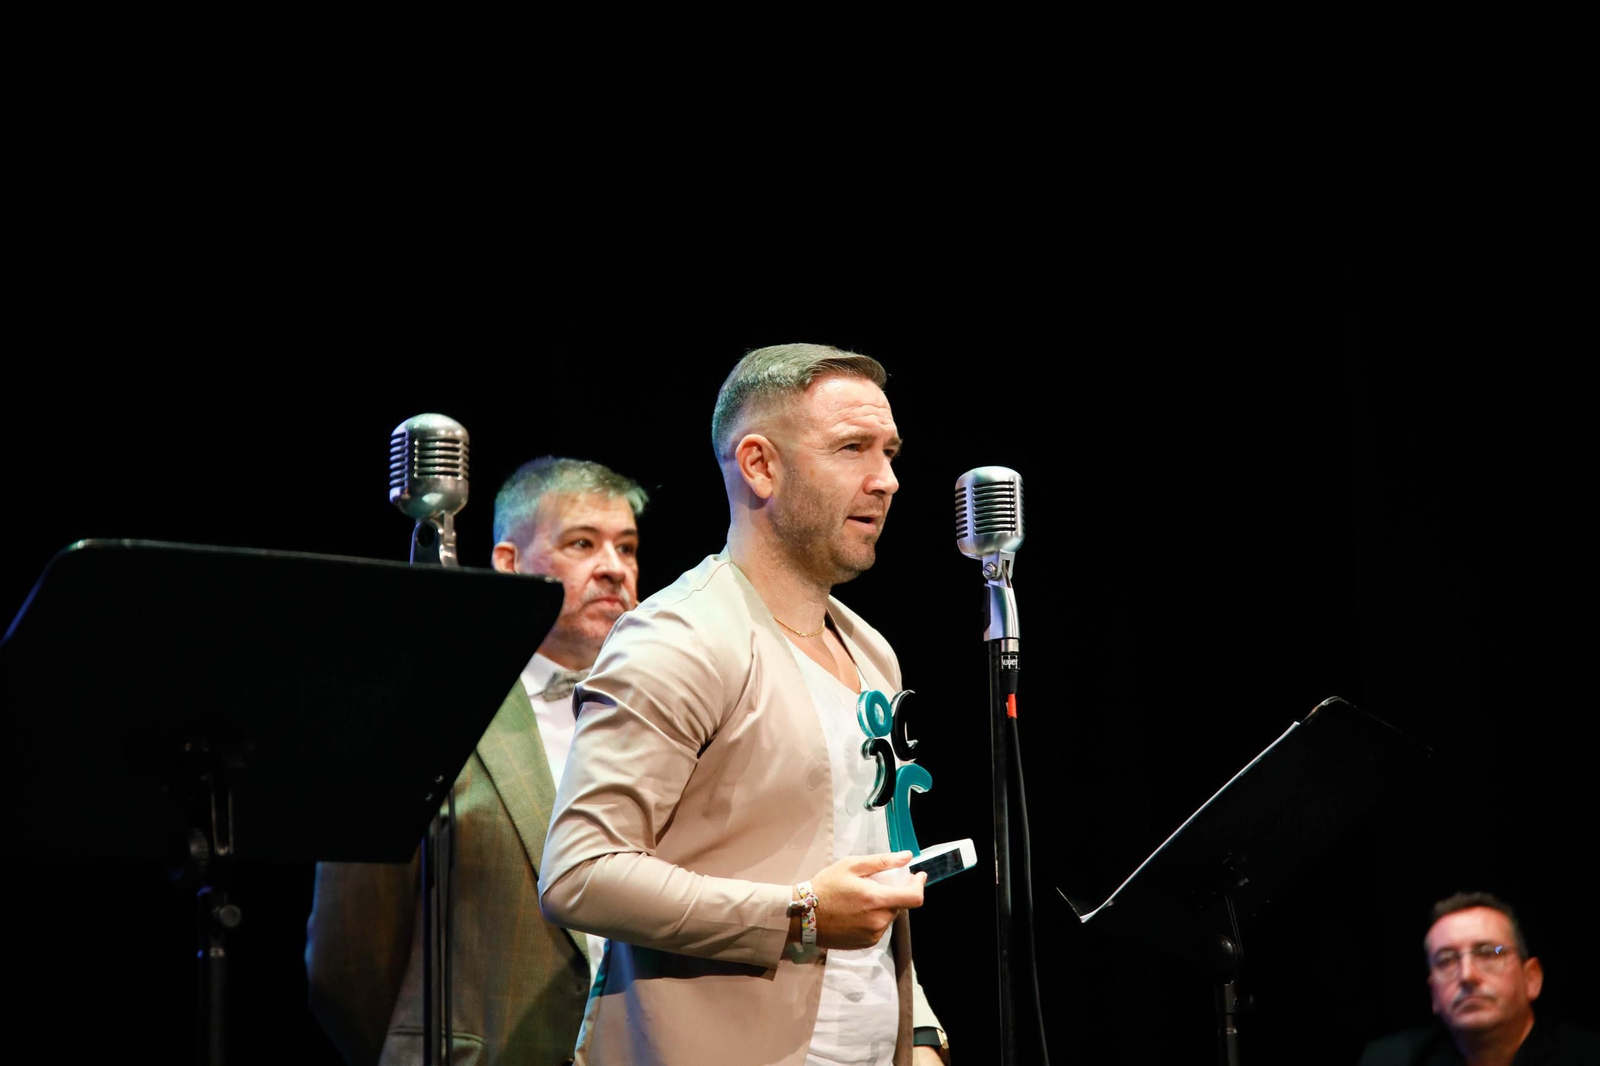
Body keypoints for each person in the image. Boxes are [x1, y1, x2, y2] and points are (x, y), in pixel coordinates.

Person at [540, 344, 949, 1065]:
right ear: (759, 464)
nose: (885, 480)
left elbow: (871, 867)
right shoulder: (678, 638)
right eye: (852, 448)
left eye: (889, 452)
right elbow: (581, 873)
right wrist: (800, 916)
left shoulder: (873, 653)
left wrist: (919, 1031)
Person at [306, 457, 647, 1066]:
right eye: (582, 543)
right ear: (509, 563)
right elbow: (348, 954)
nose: (614, 569)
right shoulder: (432, 714)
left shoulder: (654, 718)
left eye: (627, 547)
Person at [1358, 892, 1600, 1065]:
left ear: (1531, 978)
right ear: (1433, 994)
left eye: (1489, 953)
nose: (1467, 975)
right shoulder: (1389, 1059)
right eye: (1446, 960)